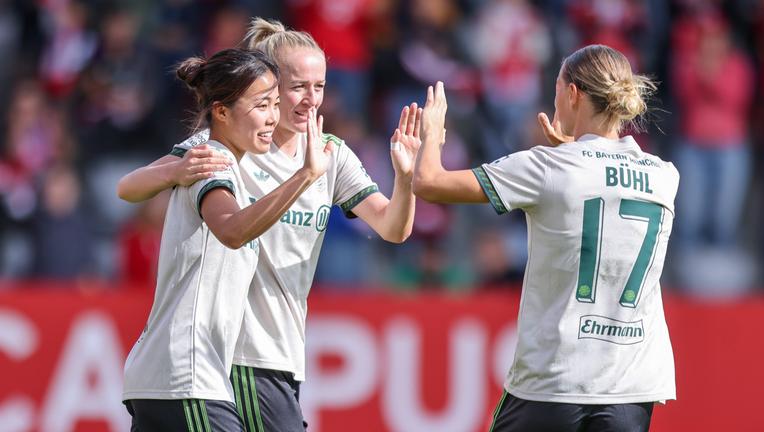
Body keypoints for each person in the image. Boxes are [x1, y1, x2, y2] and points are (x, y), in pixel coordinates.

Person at [117, 18, 421, 431]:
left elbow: (393, 228)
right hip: (236, 353)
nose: (311, 99)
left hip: (282, 349)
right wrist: (175, 171)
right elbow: (132, 187)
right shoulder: (226, 147)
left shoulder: (328, 154)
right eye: (298, 87)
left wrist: (406, 179)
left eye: (320, 86)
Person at [413, 45, 678, 431]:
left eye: (556, 89)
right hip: (632, 388)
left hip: (554, 381)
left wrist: (432, 134)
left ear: (572, 94)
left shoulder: (545, 166)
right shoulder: (664, 175)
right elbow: (601, 178)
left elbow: (429, 183)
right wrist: (573, 149)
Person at [122, 48, 332, 431]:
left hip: (168, 374)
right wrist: (304, 176)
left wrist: (173, 171)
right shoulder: (213, 160)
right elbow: (232, 230)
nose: (272, 117)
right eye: (261, 106)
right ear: (221, 111)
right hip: (188, 374)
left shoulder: (212, 156)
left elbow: (127, 186)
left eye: (275, 104)